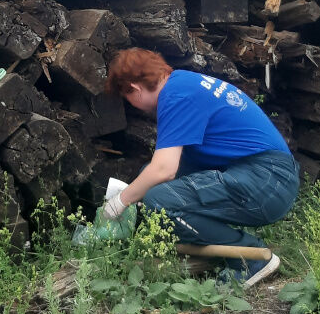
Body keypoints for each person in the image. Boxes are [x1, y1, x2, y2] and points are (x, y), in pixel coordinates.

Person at [103, 47, 299, 288]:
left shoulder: (177, 96)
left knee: (160, 199)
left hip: (268, 181)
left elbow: (165, 168)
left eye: (128, 99)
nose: (132, 105)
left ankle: (250, 258)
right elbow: (159, 170)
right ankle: (202, 242)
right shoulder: (183, 83)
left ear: (134, 89)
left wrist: (120, 201)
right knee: (151, 180)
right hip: (266, 176)